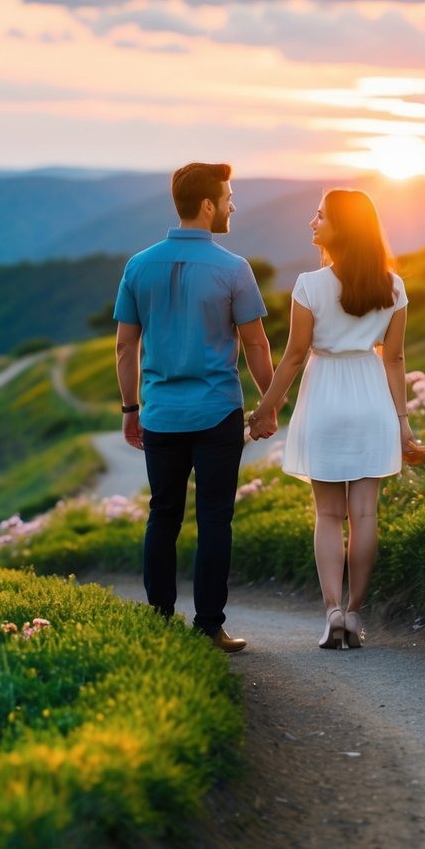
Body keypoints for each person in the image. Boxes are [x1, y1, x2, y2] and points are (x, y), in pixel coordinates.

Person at [248, 188, 425, 650]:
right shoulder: (393, 287)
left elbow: (291, 358)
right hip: (372, 398)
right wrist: (404, 423)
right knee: (365, 514)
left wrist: (266, 408)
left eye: (320, 216)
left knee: (328, 513)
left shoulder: (309, 285)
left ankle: (330, 611)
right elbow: (395, 359)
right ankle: (353, 613)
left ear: (341, 228)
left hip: (325, 396)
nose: (312, 222)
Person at [114, 162, 277, 652]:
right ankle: (209, 626)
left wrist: (130, 408)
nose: (232, 205)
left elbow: (126, 347)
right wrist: (269, 405)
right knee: (214, 519)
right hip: (216, 412)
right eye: (228, 197)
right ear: (208, 205)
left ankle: (159, 623)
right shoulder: (233, 268)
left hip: (161, 412)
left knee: (162, 515)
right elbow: (255, 345)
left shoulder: (138, 265)